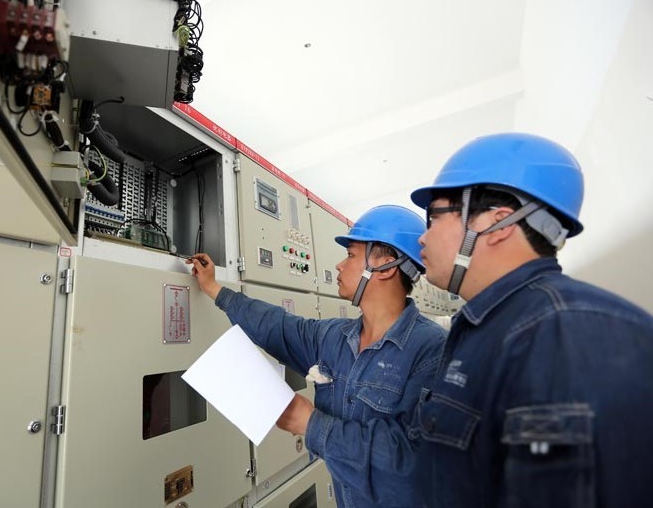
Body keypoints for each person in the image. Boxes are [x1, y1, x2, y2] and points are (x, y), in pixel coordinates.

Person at [409, 132, 653, 508]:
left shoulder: (568, 335)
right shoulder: (487, 326)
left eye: (434, 217)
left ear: (496, 222)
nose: (422, 238)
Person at [187, 205, 446, 508]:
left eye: (350, 255)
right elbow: (276, 326)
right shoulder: (334, 337)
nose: (339, 265)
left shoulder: (432, 350)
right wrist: (215, 289)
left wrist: (310, 423)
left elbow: (414, 463)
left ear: (385, 267)